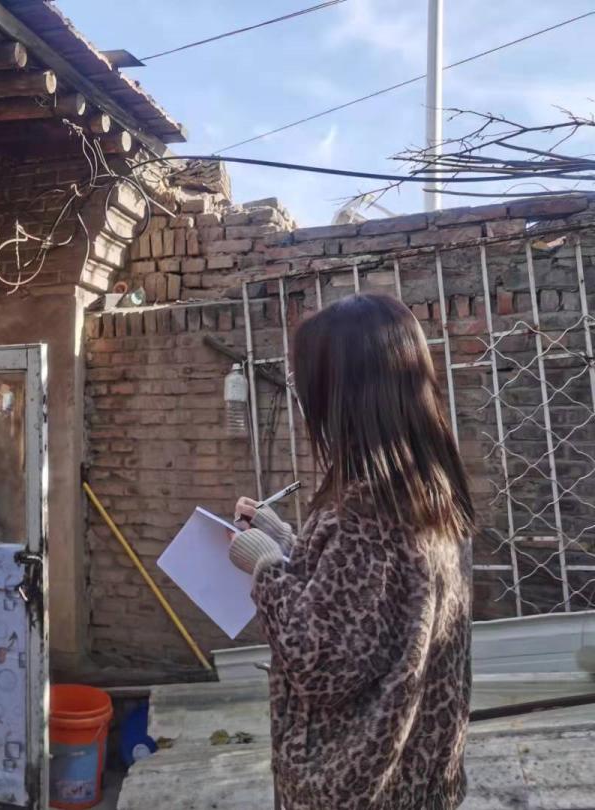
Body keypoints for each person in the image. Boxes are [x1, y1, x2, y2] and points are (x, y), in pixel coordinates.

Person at [228, 294, 474, 810]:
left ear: (343, 394)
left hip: (356, 784)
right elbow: (368, 610)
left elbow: (319, 662)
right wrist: (287, 541)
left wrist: (265, 566)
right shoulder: (427, 491)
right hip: (417, 773)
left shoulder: (368, 512)